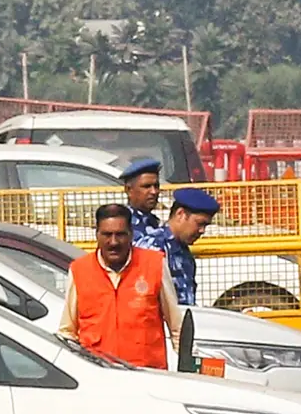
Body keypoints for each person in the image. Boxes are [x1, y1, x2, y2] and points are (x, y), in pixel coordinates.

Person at [58, 203, 182, 369]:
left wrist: (187, 369)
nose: (113, 242)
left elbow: (176, 326)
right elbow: (67, 331)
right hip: (99, 375)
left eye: (120, 235)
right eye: (107, 234)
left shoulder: (154, 264)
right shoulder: (79, 270)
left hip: (147, 375)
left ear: (131, 234)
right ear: (97, 235)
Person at [134, 187, 219, 306]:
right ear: (180, 214)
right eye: (199, 223)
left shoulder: (183, 251)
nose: (202, 231)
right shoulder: (153, 248)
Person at [120, 158, 164, 241]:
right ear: (129, 190)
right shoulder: (124, 224)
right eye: (146, 186)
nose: (154, 192)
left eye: (156, 186)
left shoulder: (152, 220)